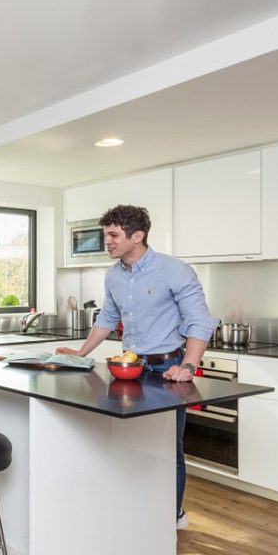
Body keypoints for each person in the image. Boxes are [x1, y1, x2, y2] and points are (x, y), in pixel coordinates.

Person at [57, 205, 217, 530]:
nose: (108, 242)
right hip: (129, 369)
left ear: (137, 236)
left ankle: (171, 518)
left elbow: (199, 320)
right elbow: (108, 318)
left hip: (168, 368)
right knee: (131, 441)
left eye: (113, 235)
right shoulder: (113, 274)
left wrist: (189, 365)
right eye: (106, 236)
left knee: (167, 446)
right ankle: (140, 509)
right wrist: (81, 352)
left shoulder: (175, 270)